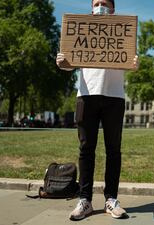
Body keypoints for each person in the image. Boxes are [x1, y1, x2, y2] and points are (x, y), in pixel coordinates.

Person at [56, 0, 139, 220]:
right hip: (86, 96)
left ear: (112, 9)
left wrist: (135, 63)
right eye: (96, 3)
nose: (99, 6)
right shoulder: (80, 29)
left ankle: (111, 199)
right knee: (86, 149)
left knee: (114, 150)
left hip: (114, 97)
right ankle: (85, 200)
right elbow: (68, 65)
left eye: (103, 3)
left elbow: (129, 60)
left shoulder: (122, 32)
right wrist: (62, 61)